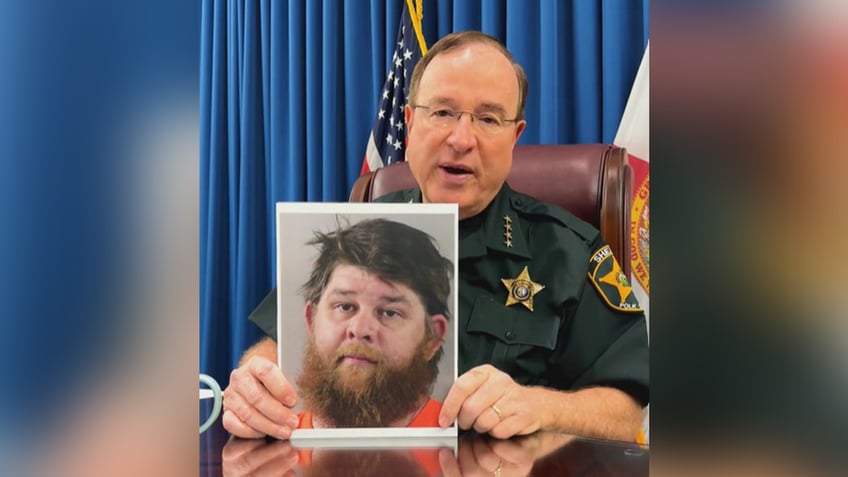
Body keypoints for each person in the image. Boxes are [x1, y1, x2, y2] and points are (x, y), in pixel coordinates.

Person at [222, 30, 648, 441]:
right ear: (409, 123)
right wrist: (254, 385)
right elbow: (279, 347)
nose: (461, 139)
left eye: (488, 118)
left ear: (514, 136)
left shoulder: (570, 251)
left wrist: (538, 407)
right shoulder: (352, 231)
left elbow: (625, 407)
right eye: (442, 112)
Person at [279, 218, 453, 429]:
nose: (360, 330)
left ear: (432, 338)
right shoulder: (273, 442)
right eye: (344, 307)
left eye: (390, 312)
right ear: (311, 320)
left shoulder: (460, 439)